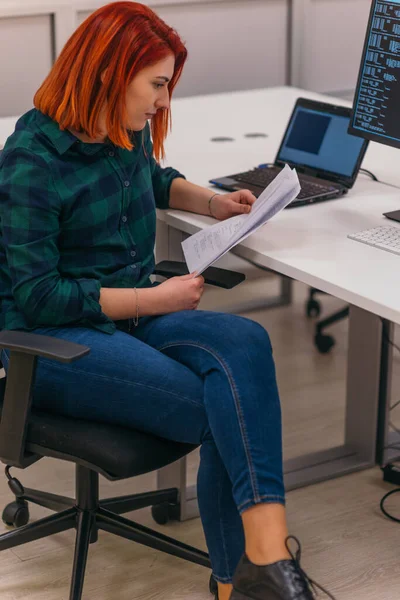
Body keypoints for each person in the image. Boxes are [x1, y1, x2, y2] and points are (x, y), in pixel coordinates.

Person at [0, 3, 335, 599]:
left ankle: (263, 563)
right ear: (109, 73)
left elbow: (153, 178)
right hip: (53, 344)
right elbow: (40, 296)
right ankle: (246, 578)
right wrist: (155, 302)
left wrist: (215, 203)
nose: (161, 102)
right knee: (220, 405)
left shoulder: (117, 130)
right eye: (157, 84)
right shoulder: (32, 161)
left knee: (247, 342)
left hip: (129, 313)